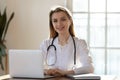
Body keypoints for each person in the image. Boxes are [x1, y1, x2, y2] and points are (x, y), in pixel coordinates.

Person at [39, 6, 94, 76]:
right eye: (55, 21)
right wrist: (46, 71)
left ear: (70, 21)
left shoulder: (80, 43)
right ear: (52, 24)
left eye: (63, 19)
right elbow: (35, 67)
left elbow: (90, 68)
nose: (59, 24)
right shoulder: (46, 44)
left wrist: (65, 73)